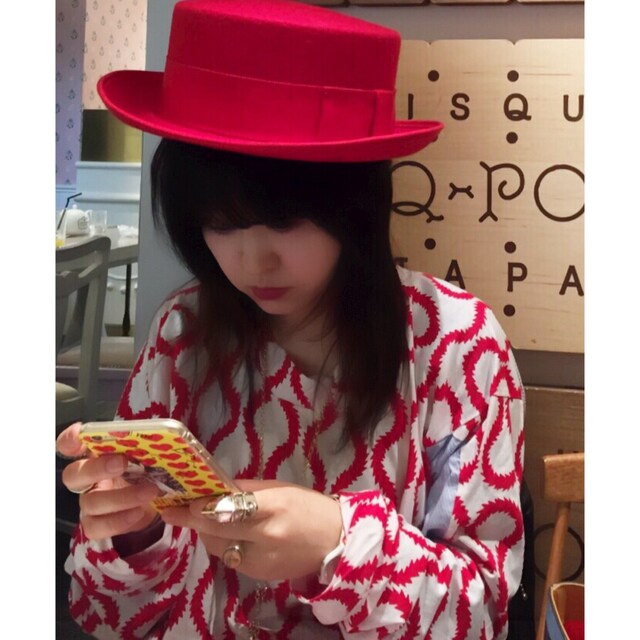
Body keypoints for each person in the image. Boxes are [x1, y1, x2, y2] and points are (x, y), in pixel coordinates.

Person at [56, 0, 525, 638]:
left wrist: (339, 542)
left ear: (356, 204)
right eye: (219, 224)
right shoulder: (181, 334)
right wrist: (134, 537)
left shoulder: (456, 344)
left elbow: (483, 612)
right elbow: (104, 614)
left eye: (285, 221)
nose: (253, 261)